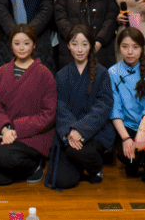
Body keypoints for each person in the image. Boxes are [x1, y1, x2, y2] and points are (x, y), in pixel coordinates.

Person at [0, 25, 58, 185]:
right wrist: (5, 130)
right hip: (7, 134)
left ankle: (35, 165)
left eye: (26, 43)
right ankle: (19, 166)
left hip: (34, 136)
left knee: (4, 156)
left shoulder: (45, 74)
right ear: (11, 45)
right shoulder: (1, 73)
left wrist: (16, 130)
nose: (21, 48)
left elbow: (49, 114)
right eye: (17, 43)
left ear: (34, 45)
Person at [46, 26, 115, 190]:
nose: (79, 49)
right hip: (69, 132)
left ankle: (95, 168)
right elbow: (60, 107)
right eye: (75, 44)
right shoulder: (62, 75)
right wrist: (72, 131)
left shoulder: (102, 73)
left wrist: (81, 129)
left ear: (91, 46)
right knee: (62, 181)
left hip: (96, 131)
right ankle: (79, 165)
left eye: (84, 44)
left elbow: (103, 106)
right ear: (68, 46)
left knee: (75, 151)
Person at [109, 27, 145, 178]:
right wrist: (126, 138)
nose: (130, 52)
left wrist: (142, 131)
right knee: (128, 158)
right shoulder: (112, 72)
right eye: (125, 47)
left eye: (135, 47)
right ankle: (136, 161)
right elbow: (115, 109)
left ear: (142, 48)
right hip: (127, 125)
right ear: (119, 47)